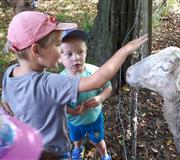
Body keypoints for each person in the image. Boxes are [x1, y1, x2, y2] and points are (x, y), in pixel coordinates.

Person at [1, 11, 148, 158]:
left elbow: (6, 104)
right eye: (58, 44)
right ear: (36, 50)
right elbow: (98, 81)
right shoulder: (49, 83)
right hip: (55, 154)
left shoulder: (10, 73)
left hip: (30, 150)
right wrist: (125, 50)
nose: (60, 52)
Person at [60, 29, 112, 160]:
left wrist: (100, 97)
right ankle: (78, 148)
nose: (76, 57)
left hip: (93, 119)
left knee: (98, 140)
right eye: (69, 54)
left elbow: (108, 87)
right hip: (74, 121)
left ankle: (104, 155)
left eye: (80, 52)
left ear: (86, 52)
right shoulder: (59, 81)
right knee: (76, 137)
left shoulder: (95, 72)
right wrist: (71, 110)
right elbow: (58, 104)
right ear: (59, 58)